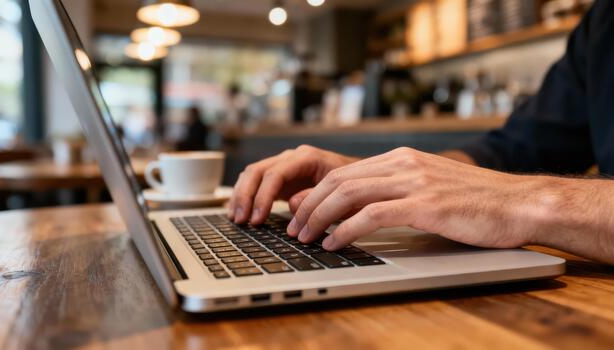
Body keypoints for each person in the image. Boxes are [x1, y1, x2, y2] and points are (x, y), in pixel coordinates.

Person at [228, 1, 614, 265]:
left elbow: (508, 188)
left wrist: (532, 203)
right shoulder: (603, 22)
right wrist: (374, 177)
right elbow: (511, 150)